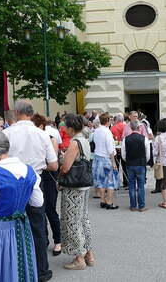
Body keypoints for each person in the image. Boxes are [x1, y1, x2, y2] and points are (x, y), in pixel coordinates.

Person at [3, 100, 58, 282]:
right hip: (36, 182)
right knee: (38, 226)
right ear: (31, 114)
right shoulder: (42, 134)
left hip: (11, 183)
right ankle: (41, 271)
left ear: (17, 113)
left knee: (12, 226)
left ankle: (16, 269)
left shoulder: (6, 133)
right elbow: (53, 164)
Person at [0, 131, 44, 282]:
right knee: (19, 263)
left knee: (1, 266)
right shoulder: (29, 170)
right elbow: (37, 202)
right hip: (21, 227)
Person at [59, 114, 95, 269]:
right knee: (83, 219)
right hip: (84, 185)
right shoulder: (85, 140)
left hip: (74, 187)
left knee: (73, 221)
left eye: (65, 127)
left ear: (71, 128)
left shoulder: (75, 142)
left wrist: (62, 160)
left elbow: (66, 167)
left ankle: (79, 258)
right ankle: (89, 254)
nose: (64, 129)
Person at [31, 114, 62, 256]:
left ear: (42, 126)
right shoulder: (31, 141)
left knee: (50, 210)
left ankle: (58, 240)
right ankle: (43, 239)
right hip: (37, 178)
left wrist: (39, 165)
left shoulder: (51, 139)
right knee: (39, 211)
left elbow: (53, 165)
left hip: (49, 178)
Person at [121, 120, 150, 212]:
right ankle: (141, 206)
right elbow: (148, 154)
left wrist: (127, 160)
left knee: (131, 185)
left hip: (130, 164)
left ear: (130, 128)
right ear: (139, 128)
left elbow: (123, 154)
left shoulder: (126, 139)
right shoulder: (144, 138)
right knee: (141, 185)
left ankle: (133, 205)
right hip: (141, 164)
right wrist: (145, 161)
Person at [93, 113, 119, 210]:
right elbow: (110, 149)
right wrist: (113, 163)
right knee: (110, 181)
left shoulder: (96, 130)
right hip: (106, 158)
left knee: (100, 181)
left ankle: (102, 200)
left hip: (97, 157)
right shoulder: (107, 132)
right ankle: (109, 202)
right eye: (110, 120)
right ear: (107, 121)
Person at [111, 113, 128, 188]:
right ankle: (126, 183)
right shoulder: (126, 127)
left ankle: (116, 183)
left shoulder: (113, 128)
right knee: (125, 166)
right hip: (124, 149)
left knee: (116, 166)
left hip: (115, 148)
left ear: (116, 120)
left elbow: (111, 139)